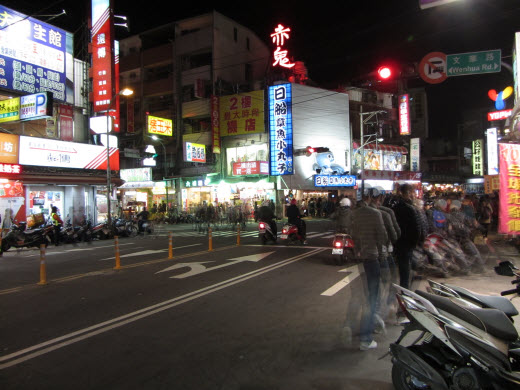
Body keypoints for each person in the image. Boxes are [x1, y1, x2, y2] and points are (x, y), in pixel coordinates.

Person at [351, 190, 388, 350]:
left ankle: (367, 328)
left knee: (367, 295)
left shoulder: (356, 214)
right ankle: (366, 338)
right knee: (373, 297)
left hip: (363, 257)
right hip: (373, 258)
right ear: (377, 198)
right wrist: (382, 254)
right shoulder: (376, 214)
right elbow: (382, 236)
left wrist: (359, 249)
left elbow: (353, 234)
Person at [391, 184, 421, 290]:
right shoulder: (410, 208)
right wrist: (415, 242)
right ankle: (405, 294)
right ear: (407, 193)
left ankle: (404, 291)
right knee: (405, 271)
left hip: (399, 243)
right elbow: (416, 228)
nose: (414, 195)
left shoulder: (395, 207)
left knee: (405, 268)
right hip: (406, 244)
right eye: (412, 192)